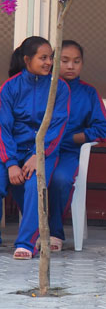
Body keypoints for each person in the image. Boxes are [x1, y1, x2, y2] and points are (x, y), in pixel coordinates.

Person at [0, 37, 71, 259]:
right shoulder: (9, 88)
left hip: (44, 151)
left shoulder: (59, 88)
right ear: (27, 60)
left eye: (51, 57)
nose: (49, 62)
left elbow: (57, 127)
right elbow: (3, 128)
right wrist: (11, 163)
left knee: (34, 184)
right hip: (11, 151)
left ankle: (25, 243)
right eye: (43, 58)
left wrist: (37, 156)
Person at [47, 41, 106, 249]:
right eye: (64, 61)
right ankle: (30, 233)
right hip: (42, 150)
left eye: (76, 62)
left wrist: (79, 137)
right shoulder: (46, 88)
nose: (70, 66)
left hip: (69, 152)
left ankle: (54, 233)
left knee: (60, 179)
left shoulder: (88, 93)